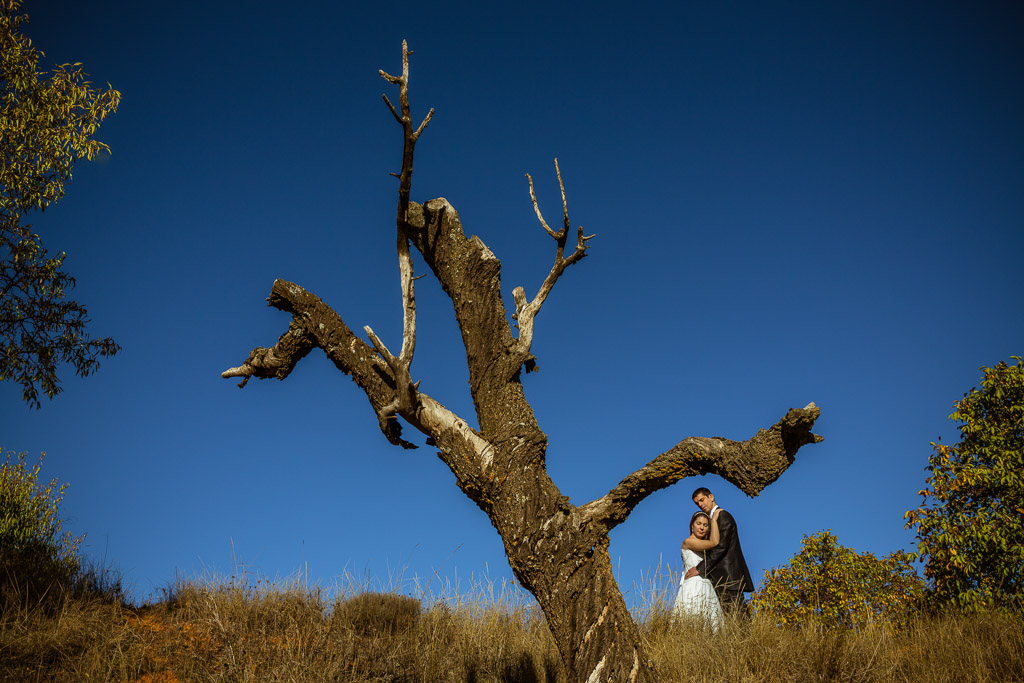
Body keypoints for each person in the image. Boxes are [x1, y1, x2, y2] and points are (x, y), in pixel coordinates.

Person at [684, 487, 754, 614]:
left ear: (711, 497)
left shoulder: (723, 515)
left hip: (729, 576)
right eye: (697, 503)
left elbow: (721, 547)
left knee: (739, 617)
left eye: (702, 500)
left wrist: (700, 568)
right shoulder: (711, 521)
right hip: (719, 579)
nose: (700, 504)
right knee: (729, 620)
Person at [671, 509, 725, 630]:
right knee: (692, 618)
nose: (701, 528)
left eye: (705, 525)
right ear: (692, 525)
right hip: (693, 585)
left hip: (706, 584)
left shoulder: (703, 544)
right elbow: (715, 542)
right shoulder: (688, 542)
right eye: (698, 524)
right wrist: (714, 520)